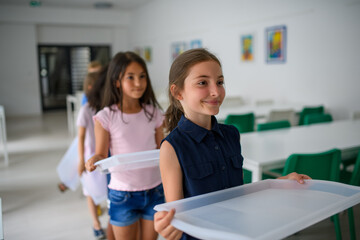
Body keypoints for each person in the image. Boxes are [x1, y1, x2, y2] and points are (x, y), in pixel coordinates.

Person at [154, 48, 311, 240]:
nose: (215, 91)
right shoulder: (171, 147)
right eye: (203, 82)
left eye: (220, 82)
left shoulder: (231, 134)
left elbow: (239, 195)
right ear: (178, 92)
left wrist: (277, 184)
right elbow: (176, 216)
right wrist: (169, 227)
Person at [85, 51, 165, 240]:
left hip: (155, 190)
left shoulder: (154, 113)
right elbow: (101, 155)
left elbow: (163, 148)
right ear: (116, 81)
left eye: (142, 76)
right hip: (123, 194)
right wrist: (94, 160)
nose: (138, 83)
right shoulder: (106, 117)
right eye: (130, 77)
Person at [77, 71, 108, 239]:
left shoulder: (107, 107)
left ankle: (111, 220)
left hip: (105, 156)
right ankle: (96, 224)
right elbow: (80, 137)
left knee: (107, 188)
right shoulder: (85, 110)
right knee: (90, 192)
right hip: (90, 157)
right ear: (91, 88)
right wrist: (81, 159)